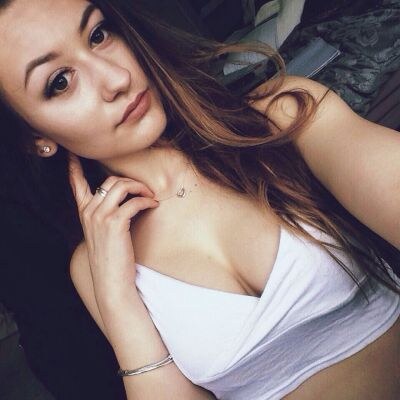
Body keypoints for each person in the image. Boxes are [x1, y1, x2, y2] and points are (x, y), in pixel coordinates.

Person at [0, 0, 399, 399]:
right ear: (37, 139)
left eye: (99, 35)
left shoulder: (281, 117)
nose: (117, 78)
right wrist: (118, 301)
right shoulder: (95, 265)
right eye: (60, 82)